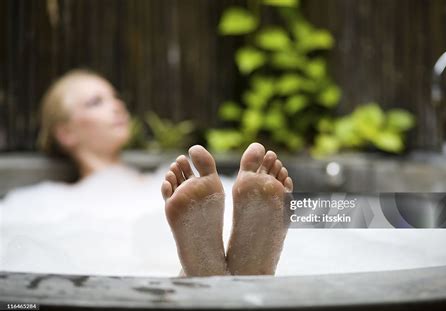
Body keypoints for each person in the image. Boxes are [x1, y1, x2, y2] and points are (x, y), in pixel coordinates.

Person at [18, 69, 293, 276]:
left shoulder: (160, 184)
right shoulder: (59, 204)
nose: (117, 105)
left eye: (115, 97)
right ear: (65, 133)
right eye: (95, 102)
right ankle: (213, 271)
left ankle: (209, 271)